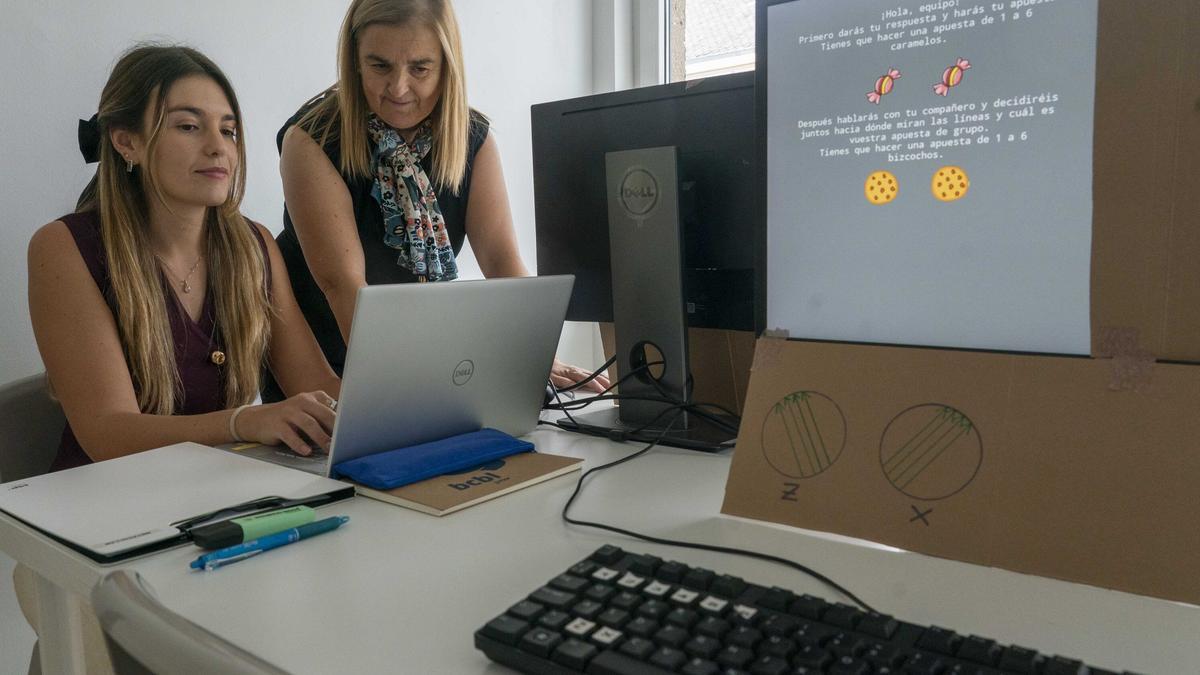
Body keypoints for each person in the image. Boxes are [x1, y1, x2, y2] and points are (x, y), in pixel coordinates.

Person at [265, 0, 608, 403]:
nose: (398, 88)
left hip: (428, 358)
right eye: (379, 66)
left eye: (420, 68)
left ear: (447, 65)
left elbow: (501, 262)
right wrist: (419, 386)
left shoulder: (472, 138)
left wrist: (533, 354)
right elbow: (342, 285)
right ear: (354, 61)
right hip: (328, 363)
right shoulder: (312, 140)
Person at [27, 45, 342, 469]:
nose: (218, 148)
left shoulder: (254, 245)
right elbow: (107, 432)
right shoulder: (64, 247)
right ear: (126, 142)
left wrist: (416, 402)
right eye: (190, 126)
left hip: (219, 492)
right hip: (102, 509)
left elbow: (319, 384)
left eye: (228, 131)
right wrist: (242, 421)